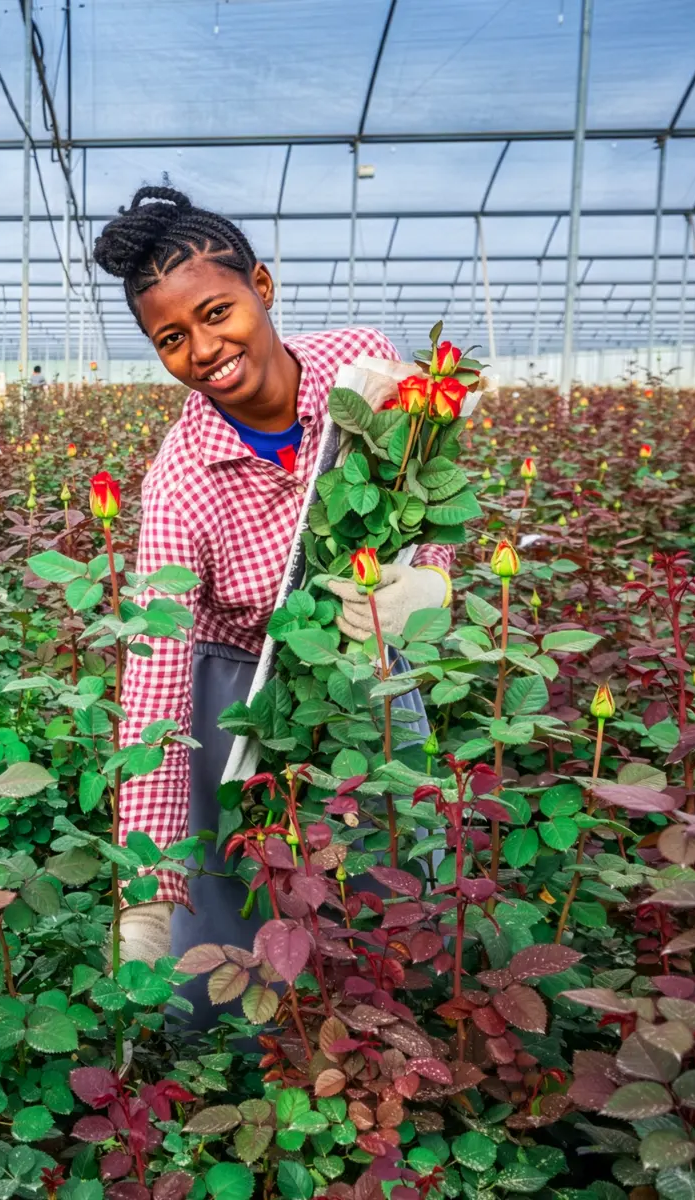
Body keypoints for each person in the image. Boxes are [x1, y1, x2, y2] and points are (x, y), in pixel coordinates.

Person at [93, 187, 455, 976]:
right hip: (241, 690)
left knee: (397, 856)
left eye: (216, 312)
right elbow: (156, 676)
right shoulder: (184, 478)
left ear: (261, 286)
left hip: (370, 663)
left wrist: (428, 585)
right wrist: (146, 890)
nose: (203, 349)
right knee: (243, 902)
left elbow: (422, 494)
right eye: (171, 338)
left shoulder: (361, 369)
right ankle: (254, 1051)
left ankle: (409, 1012)